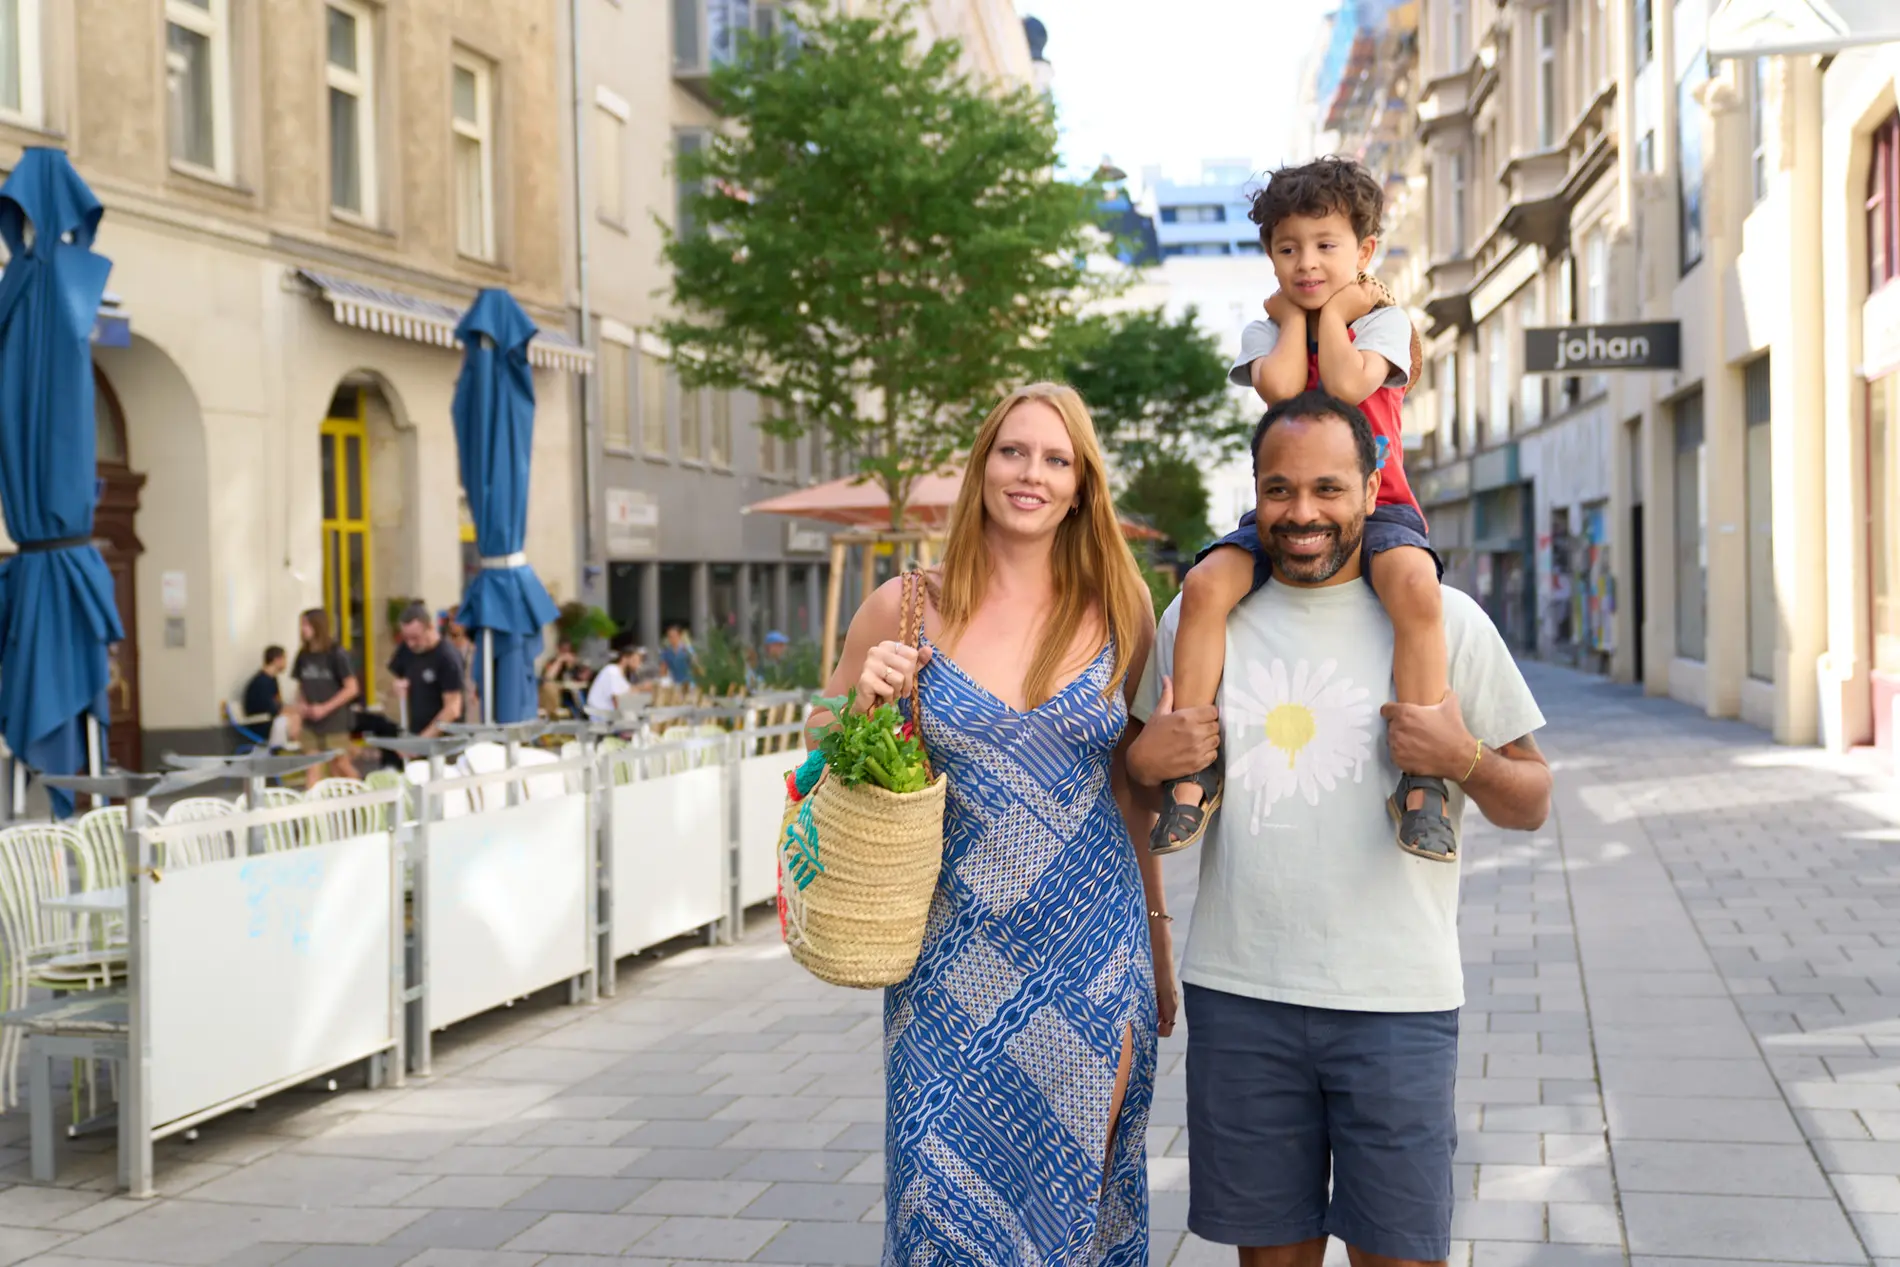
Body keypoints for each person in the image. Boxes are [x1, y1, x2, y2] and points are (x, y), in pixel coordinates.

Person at [1127, 391, 1551, 1267]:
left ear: (1371, 492)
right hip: (1242, 999)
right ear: (1253, 494)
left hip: (1396, 1003)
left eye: (1328, 488)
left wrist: (1462, 754)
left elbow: (1532, 799)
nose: (1304, 513)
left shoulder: (1447, 621)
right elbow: (1132, 785)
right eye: (1279, 490)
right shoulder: (1194, 621)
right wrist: (1144, 763)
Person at [815, 382, 1171, 1265]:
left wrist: (1158, 951)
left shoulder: (1120, 608)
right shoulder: (903, 604)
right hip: (946, 958)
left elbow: (1133, 792)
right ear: (982, 468)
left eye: (1057, 459)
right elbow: (819, 754)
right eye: (1014, 452)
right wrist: (865, 700)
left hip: (1091, 957)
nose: (1032, 474)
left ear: (1082, 485)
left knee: (1070, 1214)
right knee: (942, 1215)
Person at [1156, 156, 1451, 865]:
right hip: (1286, 510)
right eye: (1287, 249)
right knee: (1203, 587)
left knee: (1414, 585)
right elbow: (1286, 390)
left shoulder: (1382, 321)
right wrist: (1296, 317)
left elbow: (1346, 385)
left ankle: (1423, 778)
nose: (1307, 263)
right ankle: (1195, 765)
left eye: (1326, 245)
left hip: (1376, 509)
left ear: (1365, 252)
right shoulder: (1268, 333)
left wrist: (1340, 311)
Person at [292, 610, 359, 780]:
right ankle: (313, 804)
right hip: (310, 722)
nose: (303, 629)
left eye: (307, 625)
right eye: (302, 625)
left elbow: (351, 688)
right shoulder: (303, 655)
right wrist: (301, 708)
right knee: (312, 765)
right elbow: (301, 686)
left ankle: (364, 797)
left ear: (318, 626)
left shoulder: (336, 654)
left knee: (339, 765)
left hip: (334, 721)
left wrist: (325, 708)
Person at [389, 603, 465, 737]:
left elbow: (453, 708)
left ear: (430, 627)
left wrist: (423, 740)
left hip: (444, 741)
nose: (410, 644)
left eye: (415, 638)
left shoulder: (447, 657)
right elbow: (395, 679)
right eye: (406, 638)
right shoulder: (407, 650)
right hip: (416, 731)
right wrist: (396, 686)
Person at [242, 645, 299, 751]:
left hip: (269, 719)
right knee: (295, 718)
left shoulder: (272, 679)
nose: (286, 663)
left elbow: (277, 704)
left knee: (296, 715)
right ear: (277, 660)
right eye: (284, 658)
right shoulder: (261, 682)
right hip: (261, 724)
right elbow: (271, 708)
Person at [585, 635, 642, 718]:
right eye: (635, 660)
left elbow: (628, 692)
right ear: (625, 658)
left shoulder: (621, 674)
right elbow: (617, 700)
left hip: (607, 713)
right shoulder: (612, 671)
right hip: (602, 714)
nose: (638, 664)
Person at [538, 639, 583, 718]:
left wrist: (572, 665)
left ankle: (582, 715)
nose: (566, 653)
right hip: (555, 696)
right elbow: (548, 677)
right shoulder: (552, 662)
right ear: (558, 649)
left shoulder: (572, 663)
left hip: (569, 695)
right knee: (548, 686)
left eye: (568, 650)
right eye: (563, 650)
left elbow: (580, 678)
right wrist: (559, 660)